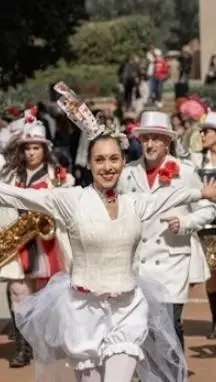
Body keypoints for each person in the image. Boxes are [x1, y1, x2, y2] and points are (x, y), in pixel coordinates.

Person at [0, 83, 216, 382]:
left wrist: (202, 192)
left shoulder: (135, 203)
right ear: (89, 164)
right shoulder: (71, 199)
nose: (107, 167)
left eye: (114, 159)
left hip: (127, 309)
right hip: (83, 313)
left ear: (122, 162)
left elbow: (173, 196)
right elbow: (17, 195)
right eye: (100, 160)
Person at [118, 111, 215, 351]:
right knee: (140, 324)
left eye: (156, 138)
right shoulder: (128, 172)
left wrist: (185, 223)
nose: (150, 144)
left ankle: (174, 375)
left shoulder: (185, 171)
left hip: (171, 262)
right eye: (146, 138)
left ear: (167, 142)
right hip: (137, 261)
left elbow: (208, 210)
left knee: (169, 324)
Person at [0, 106, 74, 368]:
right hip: (18, 240)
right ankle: (23, 346)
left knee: (46, 294)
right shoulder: (10, 175)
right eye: (27, 147)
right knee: (18, 291)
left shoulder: (59, 177)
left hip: (46, 243)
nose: (31, 152)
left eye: (36, 147)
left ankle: (46, 342)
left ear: (45, 149)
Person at [191, 111, 216, 339]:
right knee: (213, 274)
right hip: (207, 224)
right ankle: (215, 318)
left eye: (207, 131)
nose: (203, 135)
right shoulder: (197, 159)